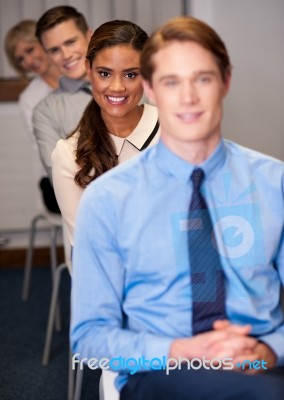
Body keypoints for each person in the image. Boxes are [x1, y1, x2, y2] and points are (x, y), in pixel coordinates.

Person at [71, 16, 284, 400]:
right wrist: (182, 351)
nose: (188, 97)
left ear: (226, 82)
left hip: (261, 364)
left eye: (202, 79)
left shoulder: (275, 184)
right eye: (171, 82)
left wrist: (269, 350)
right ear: (152, 88)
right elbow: (89, 337)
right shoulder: (107, 200)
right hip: (163, 368)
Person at [51, 20, 160, 246]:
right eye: (105, 73)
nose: (117, 87)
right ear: (88, 71)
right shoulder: (69, 153)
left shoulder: (176, 129)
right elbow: (90, 245)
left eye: (130, 75)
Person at [5, 20, 61, 213]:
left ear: (44, 41)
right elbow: (46, 149)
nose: (28, 61)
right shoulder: (29, 98)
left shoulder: (82, 76)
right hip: (54, 181)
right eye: (20, 59)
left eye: (29, 50)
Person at [32, 6, 93, 181]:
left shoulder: (135, 84)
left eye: (70, 42)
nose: (65, 55)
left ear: (90, 36)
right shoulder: (46, 112)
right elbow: (60, 179)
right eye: (54, 50)